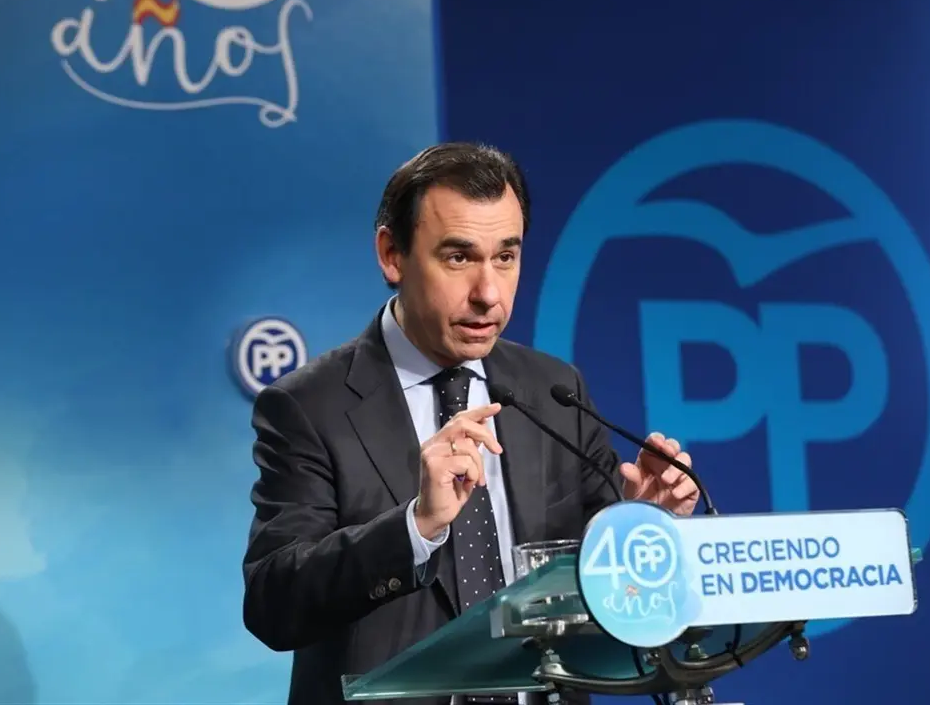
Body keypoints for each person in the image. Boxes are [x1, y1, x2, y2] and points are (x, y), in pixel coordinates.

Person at [241, 142, 700, 705]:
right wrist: (416, 526)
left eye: (505, 257)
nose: (488, 294)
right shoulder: (310, 406)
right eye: (459, 258)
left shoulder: (554, 391)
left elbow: (598, 590)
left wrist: (638, 526)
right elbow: (274, 604)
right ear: (392, 255)